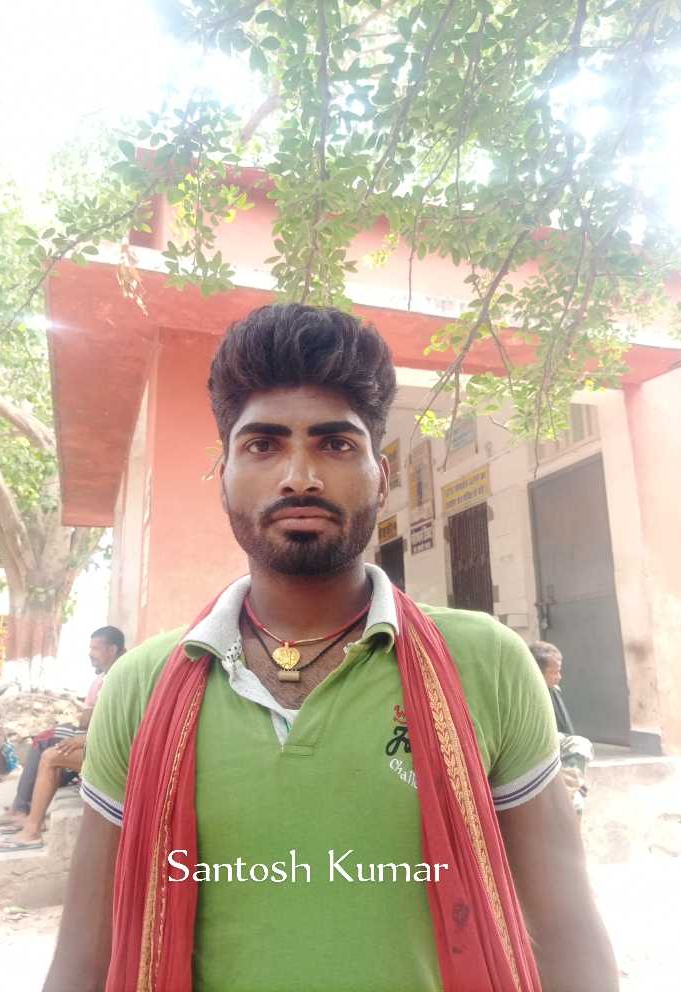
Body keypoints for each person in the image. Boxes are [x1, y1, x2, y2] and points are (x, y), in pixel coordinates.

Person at [44, 305, 618, 992]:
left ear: (382, 475)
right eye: (263, 445)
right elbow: (84, 955)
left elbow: (564, 927)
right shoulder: (142, 685)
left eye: (336, 444)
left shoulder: (486, 663)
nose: (300, 476)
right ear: (223, 477)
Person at [0, 627, 125, 847]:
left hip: (115, 748)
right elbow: (93, 719)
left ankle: (29, 825)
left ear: (112, 649)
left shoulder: (122, 673)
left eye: (95, 648)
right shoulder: (108, 675)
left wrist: (86, 738)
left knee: (50, 752)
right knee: (51, 747)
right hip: (101, 738)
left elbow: (119, 722)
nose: (90, 654)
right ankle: (24, 813)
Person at [530, 640, 594, 815]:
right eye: (555, 672)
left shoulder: (553, 691)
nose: (559, 676)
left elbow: (566, 731)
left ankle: (569, 793)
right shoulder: (525, 696)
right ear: (537, 672)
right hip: (536, 757)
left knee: (579, 745)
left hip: (555, 755)